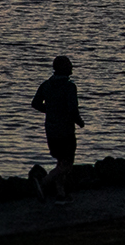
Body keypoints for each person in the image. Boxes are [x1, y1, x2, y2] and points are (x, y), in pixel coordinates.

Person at [31, 55, 85, 202]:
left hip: (51, 130)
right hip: (66, 131)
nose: (72, 67)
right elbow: (73, 109)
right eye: (69, 65)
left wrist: (50, 110)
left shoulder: (46, 85)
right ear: (63, 68)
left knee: (60, 161)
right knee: (67, 164)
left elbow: (35, 103)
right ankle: (43, 183)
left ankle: (60, 193)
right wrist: (79, 122)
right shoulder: (69, 86)